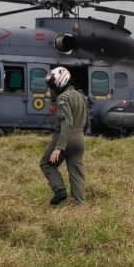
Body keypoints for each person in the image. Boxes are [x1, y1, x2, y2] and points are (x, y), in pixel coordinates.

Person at [40, 66, 89, 206]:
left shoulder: (63, 98)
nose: (52, 89)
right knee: (77, 173)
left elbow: (67, 123)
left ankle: (59, 190)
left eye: (53, 85)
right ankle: (79, 207)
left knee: (46, 163)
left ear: (61, 82)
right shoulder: (81, 96)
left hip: (64, 137)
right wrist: (79, 135)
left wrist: (59, 147)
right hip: (79, 138)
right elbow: (87, 121)